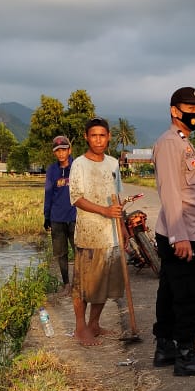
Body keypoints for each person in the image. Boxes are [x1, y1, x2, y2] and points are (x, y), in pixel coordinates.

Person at [152, 87, 195, 377]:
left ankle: (165, 347)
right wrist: (179, 236)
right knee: (191, 296)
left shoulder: (182, 142)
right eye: (189, 109)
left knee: (170, 292)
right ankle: (186, 355)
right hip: (180, 234)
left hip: (179, 232)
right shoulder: (171, 144)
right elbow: (170, 192)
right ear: (174, 110)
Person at [68, 119, 125, 346]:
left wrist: (122, 227)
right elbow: (76, 198)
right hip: (88, 235)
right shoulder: (79, 165)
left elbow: (117, 197)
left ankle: (94, 324)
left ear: (109, 136)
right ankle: (80, 328)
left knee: (105, 284)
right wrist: (104, 210)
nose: (98, 140)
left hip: (110, 235)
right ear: (86, 137)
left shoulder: (113, 164)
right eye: (94, 135)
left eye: (102, 135)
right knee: (83, 285)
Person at [43, 135, 77, 294]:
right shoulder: (52, 170)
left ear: (69, 150)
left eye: (64, 149)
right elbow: (48, 193)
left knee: (80, 252)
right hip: (57, 218)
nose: (61, 153)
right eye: (58, 151)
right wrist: (47, 216)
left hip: (75, 217)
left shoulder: (78, 166)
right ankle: (66, 284)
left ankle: (80, 283)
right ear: (54, 153)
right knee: (61, 253)